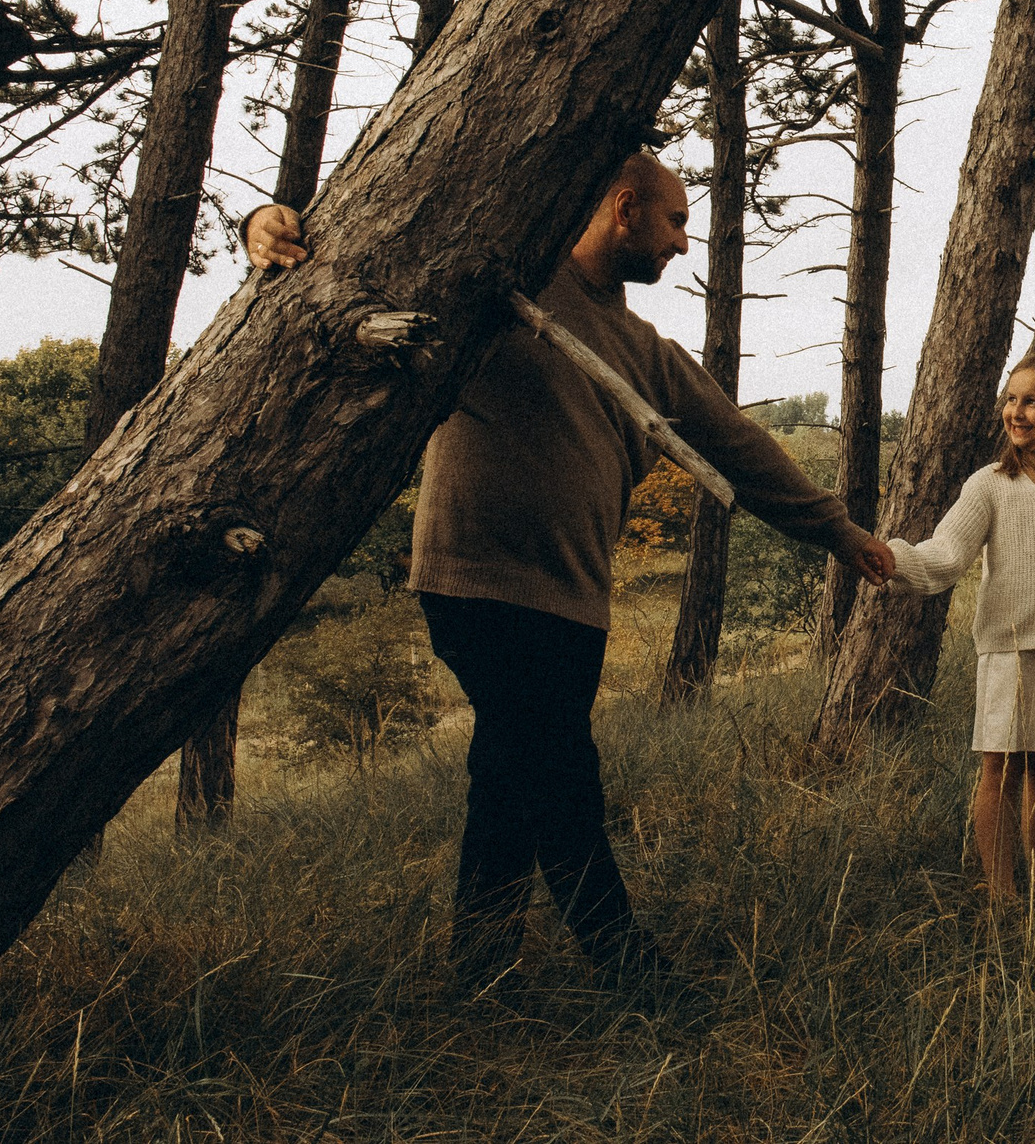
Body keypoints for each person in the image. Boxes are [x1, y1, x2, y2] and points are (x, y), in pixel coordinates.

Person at [244, 154, 894, 981]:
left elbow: (741, 445)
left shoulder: (640, 348)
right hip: (476, 580)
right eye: (676, 221)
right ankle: (629, 966)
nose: (684, 244)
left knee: (511, 772)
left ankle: (480, 969)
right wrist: (264, 219)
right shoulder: (506, 280)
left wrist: (838, 532)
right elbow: (360, 256)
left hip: (574, 600)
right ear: (625, 209)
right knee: (560, 768)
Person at [867, 351, 1035, 901]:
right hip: (1011, 650)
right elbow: (947, 553)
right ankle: (999, 891)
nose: (1015, 412)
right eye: (1011, 400)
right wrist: (894, 560)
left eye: (1031, 401)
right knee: (1001, 770)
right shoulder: (989, 484)